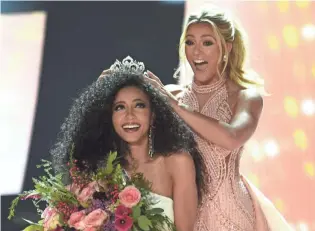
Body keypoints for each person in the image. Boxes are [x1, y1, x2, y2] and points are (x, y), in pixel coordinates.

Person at [143, 5, 293, 231]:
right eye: (190, 42)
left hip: (232, 217)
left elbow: (232, 137)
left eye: (207, 43)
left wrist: (176, 107)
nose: (196, 52)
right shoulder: (171, 94)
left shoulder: (245, 97)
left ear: (227, 48)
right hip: (183, 217)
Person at [51, 56, 206, 231]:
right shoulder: (97, 169)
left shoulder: (178, 162)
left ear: (154, 114)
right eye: (119, 107)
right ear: (108, 118)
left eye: (139, 105)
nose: (130, 115)